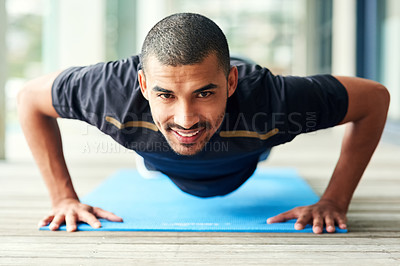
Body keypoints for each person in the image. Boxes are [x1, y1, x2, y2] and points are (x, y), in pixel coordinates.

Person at [17, 13, 390, 234]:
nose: (186, 117)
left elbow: (374, 99)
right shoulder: (107, 91)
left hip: (247, 155)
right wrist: (63, 197)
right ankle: (150, 154)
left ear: (230, 83)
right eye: (165, 95)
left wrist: (334, 200)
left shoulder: (273, 99)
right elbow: (30, 100)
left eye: (204, 93)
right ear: (143, 84)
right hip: (156, 152)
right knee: (167, 136)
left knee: (255, 128)